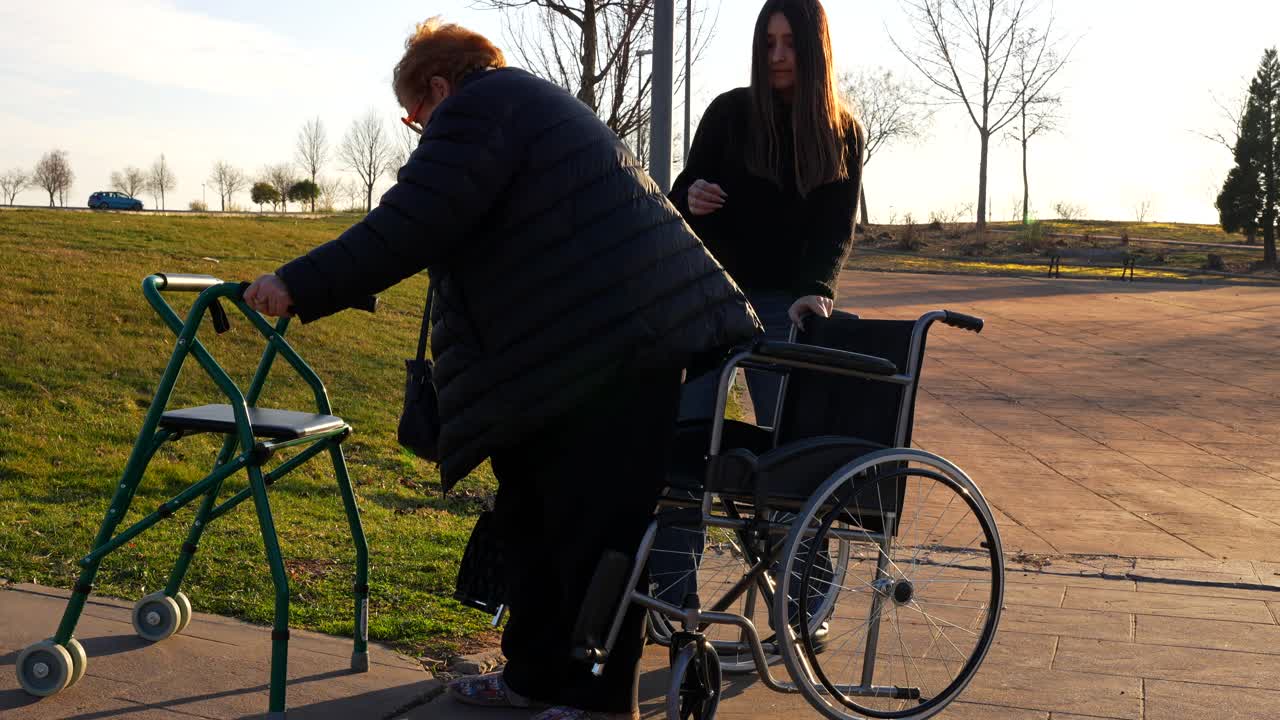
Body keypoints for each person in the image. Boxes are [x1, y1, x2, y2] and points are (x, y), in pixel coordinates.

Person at [243, 17, 760, 720]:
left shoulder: (481, 108)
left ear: (436, 86)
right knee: (532, 520)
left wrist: (299, 283)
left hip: (614, 353)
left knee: (590, 532)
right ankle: (533, 678)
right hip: (577, 356)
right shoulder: (520, 107)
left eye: (412, 115)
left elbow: (415, 219)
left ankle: (599, 703)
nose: (417, 130)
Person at [650, 0, 864, 614]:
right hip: (713, 303)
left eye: (789, 44)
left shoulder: (841, 129)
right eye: (768, 42)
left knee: (794, 457)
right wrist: (693, 193)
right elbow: (682, 193)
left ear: (814, 48)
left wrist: (817, 289)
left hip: (786, 310)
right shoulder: (728, 113)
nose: (776, 57)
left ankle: (805, 608)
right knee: (687, 447)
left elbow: (834, 231)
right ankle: (671, 602)